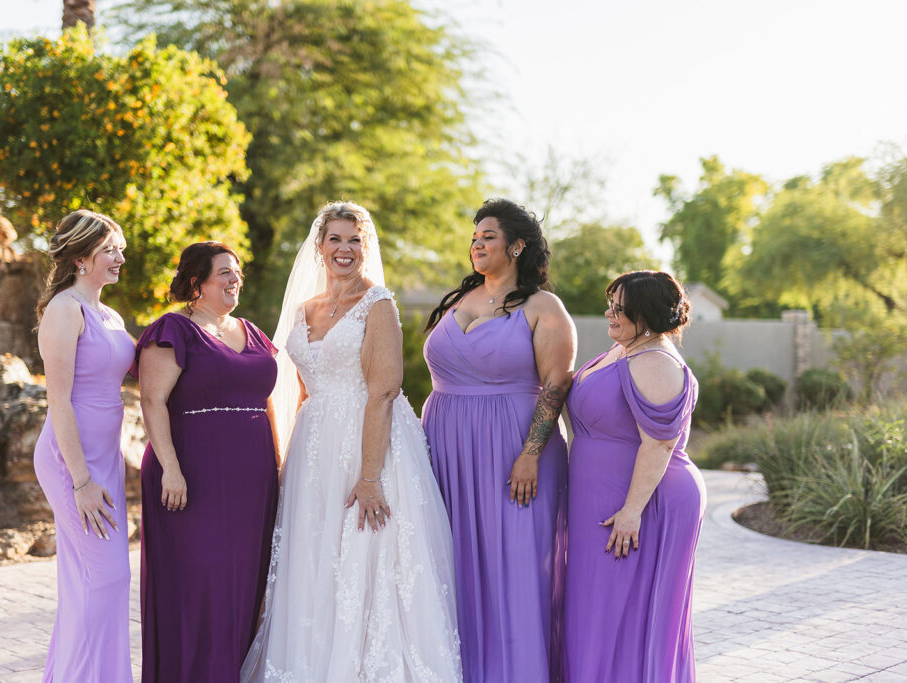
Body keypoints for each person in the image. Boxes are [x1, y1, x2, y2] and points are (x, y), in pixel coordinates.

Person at [241, 201, 462, 682]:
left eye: (354, 240)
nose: (345, 249)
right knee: (314, 558)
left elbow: (383, 390)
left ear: (366, 247)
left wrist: (369, 477)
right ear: (319, 247)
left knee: (366, 556)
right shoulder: (305, 309)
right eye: (336, 239)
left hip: (369, 440)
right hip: (313, 446)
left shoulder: (377, 303)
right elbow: (300, 388)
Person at [421, 198, 576, 682]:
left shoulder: (543, 307)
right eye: (474, 237)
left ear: (517, 246)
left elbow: (556, 384)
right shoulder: (459, 299)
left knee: (515, 568)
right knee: (454, 562)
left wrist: (530, 454)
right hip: (447, 451)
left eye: (488, 236)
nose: (477, 244)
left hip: (515, 451)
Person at [133, 242, 280, 682]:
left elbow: (268, 402)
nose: (236, 279)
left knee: (245, 585)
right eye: (225, 273)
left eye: (237, 272)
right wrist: (171, 469)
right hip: (190, 476)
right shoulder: (173, 329)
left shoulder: (252, 332)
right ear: (197, 283)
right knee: (202, 586)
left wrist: (278, 462)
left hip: (252, 480)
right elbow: (152, 401)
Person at [564, 270, 705, 682]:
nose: (609, 313)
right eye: (610, 303)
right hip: (608, 495)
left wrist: (631, 511)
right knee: (599, 607)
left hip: (644, 501)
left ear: (645, 314)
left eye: (620, 308)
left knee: (624, 611)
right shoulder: (626, 348)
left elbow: (659, 444)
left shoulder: (656, 361)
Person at [32, 209, 133, 682]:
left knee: (95, 581)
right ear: (80, 258)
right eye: (109, 249)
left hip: (106, 457)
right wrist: (81, 481)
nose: (120, 257)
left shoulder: (109, 315)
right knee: (105, 577)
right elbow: (58, 400)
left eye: (120, 249)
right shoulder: (64, 309)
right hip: (71, 460)